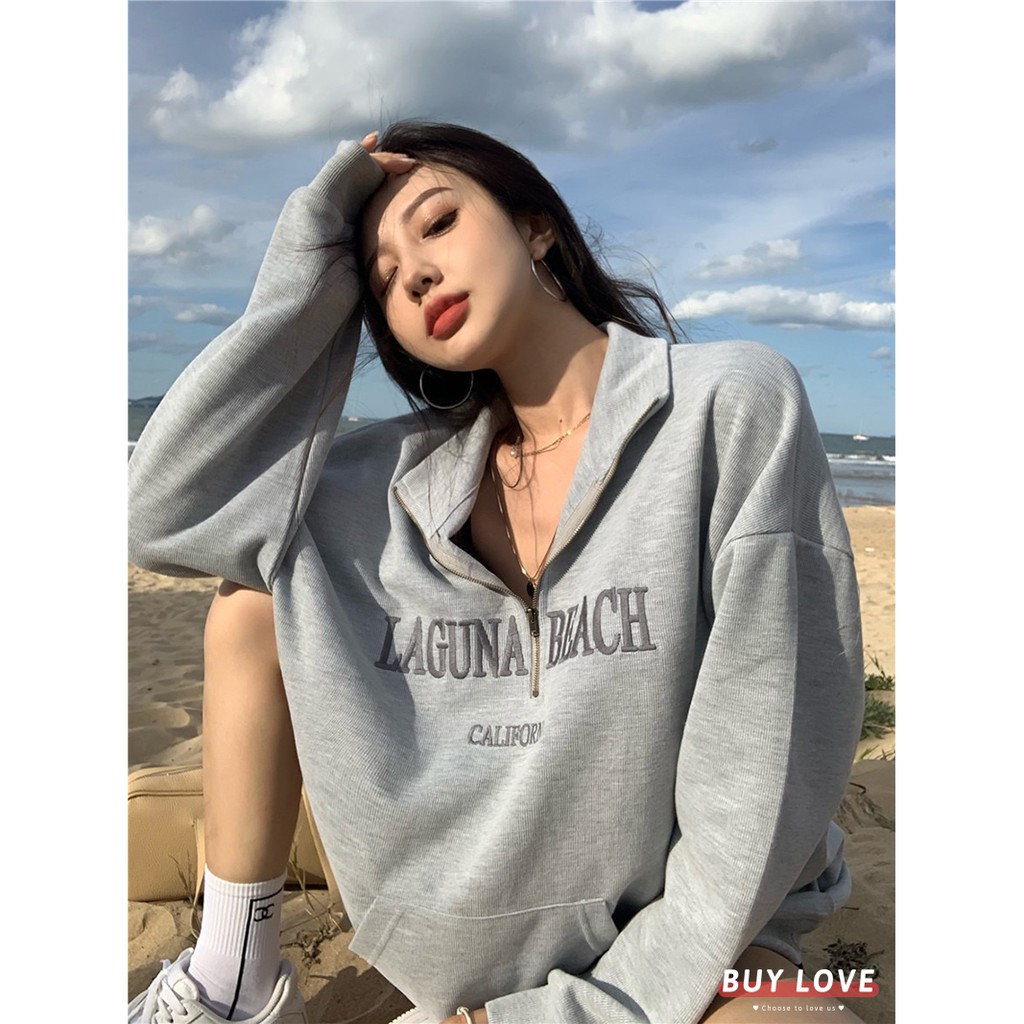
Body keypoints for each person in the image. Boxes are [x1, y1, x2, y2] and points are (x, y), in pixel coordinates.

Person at [127, 122, 866, 1024]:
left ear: (536, 225)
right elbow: (163, 518)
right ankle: (231, 976)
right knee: (252, 596)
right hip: (462, 953)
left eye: (438, 223)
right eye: (382, 281)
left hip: (696, 943)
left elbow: (756, 782)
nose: (416, 276)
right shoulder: (384, 480)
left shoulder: (728, 406)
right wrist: (308, 275)